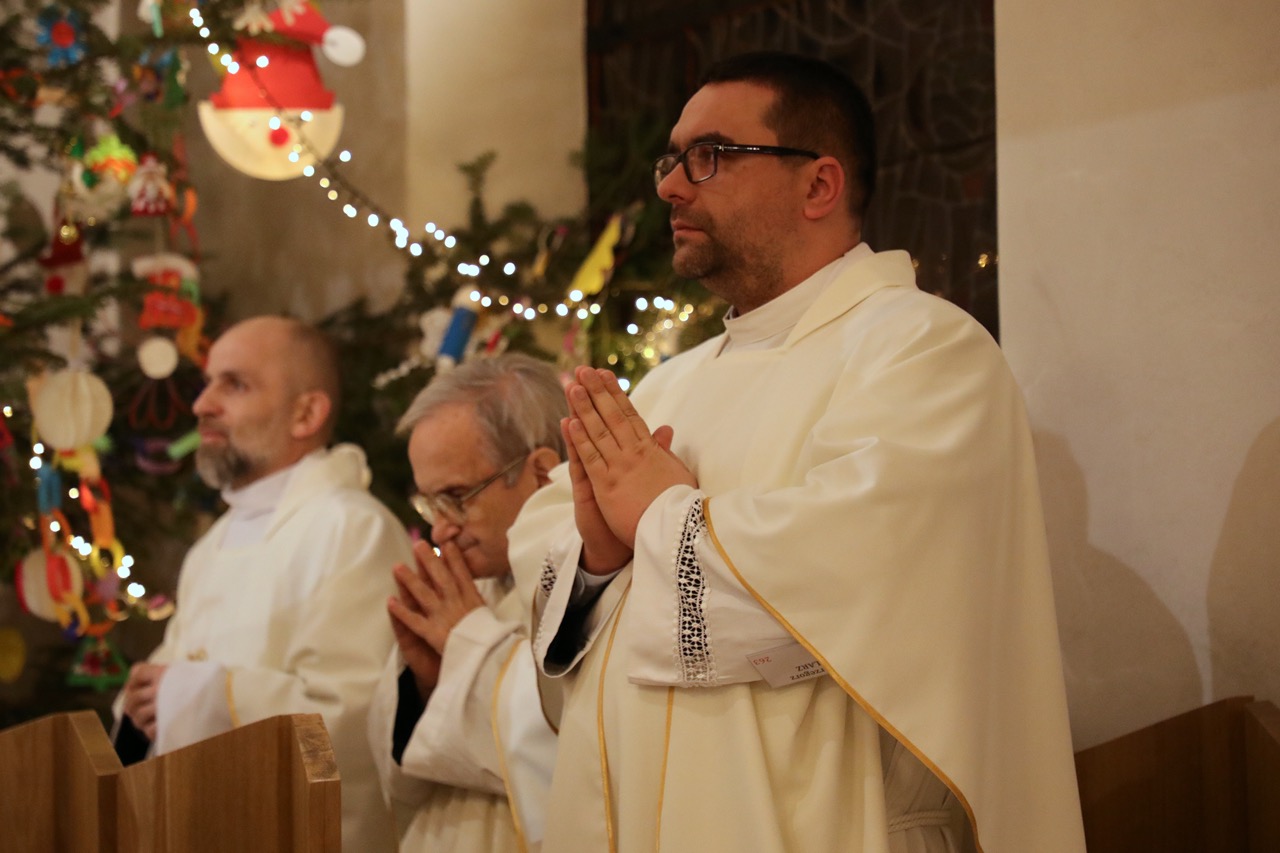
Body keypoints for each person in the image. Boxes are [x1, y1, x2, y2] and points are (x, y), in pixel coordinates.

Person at [508, 52, 1087, 852]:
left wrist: (660, 517)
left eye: (710, 156)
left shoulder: (924, 350)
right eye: (671, 160)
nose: (671, 186)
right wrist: (599, 561)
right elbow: (541, 559)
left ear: (819, 185)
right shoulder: (666, 386)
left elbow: (860, 578)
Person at [115, 315, 413, 852]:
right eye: (207, 383)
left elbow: (354, 721)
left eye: (234, 385)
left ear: (306, 414)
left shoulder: (352, 528)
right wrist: (143, 700)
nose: (202, 404)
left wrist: (205, 696)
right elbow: (166, 682)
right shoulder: (211, 546)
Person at [367, 354, 565, 852]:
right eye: (429, 503)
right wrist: (427, 686)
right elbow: (401, 772)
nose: (440, 530)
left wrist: (470, 646)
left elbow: (578, 753)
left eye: (457, 497)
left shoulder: (595, 584)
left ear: (543, 475)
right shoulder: (475, 586)